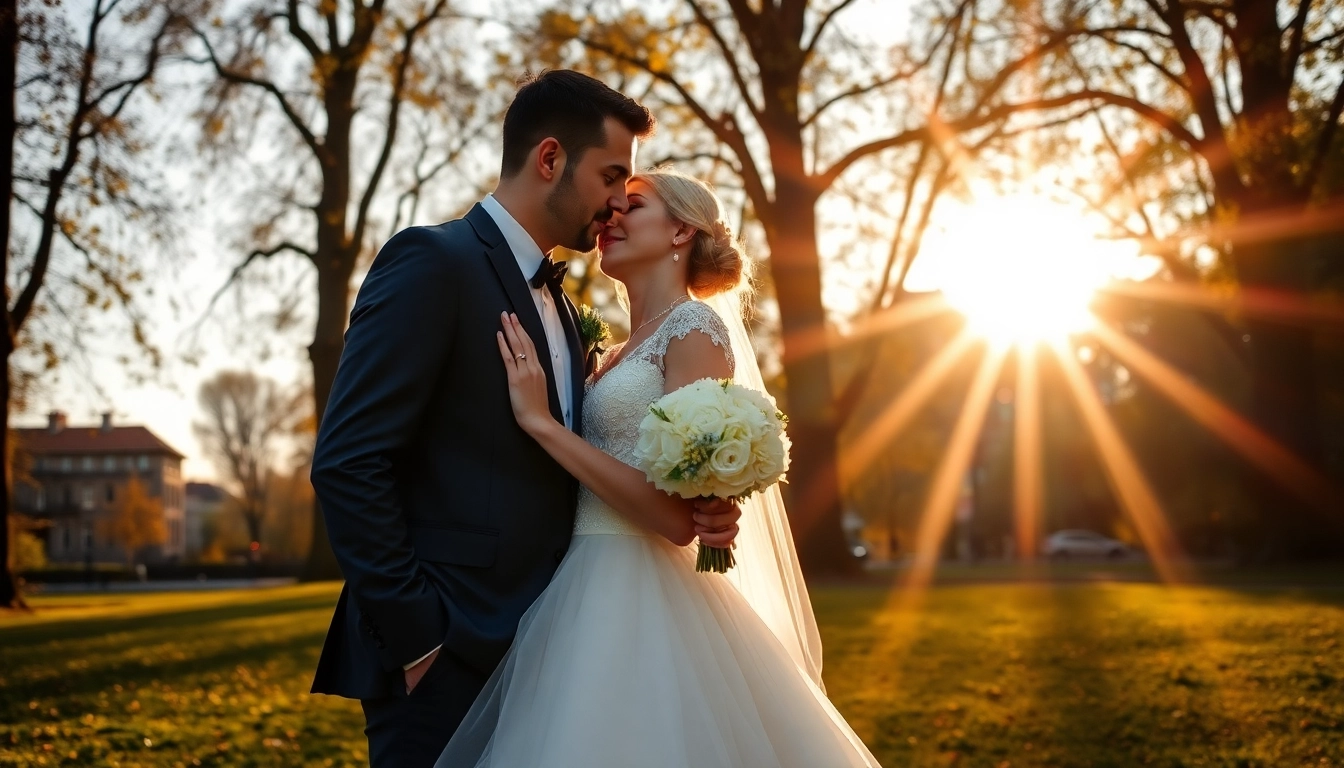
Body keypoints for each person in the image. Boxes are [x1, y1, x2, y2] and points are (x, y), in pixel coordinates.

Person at [307, 71, 743, 767]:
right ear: (549, 159)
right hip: (447, 654)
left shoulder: (565, 313)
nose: (615, 203)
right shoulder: (434, 261)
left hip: (552, 649)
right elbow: (348, 462)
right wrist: (419, 639)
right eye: (610, 177)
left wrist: (705, 501)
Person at [436, 168, 882, 767]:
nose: (611, 215)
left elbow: (675, 521)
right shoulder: (613, 349)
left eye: (634, 205)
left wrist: (542, 424)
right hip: (575, 582)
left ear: (681, 231)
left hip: (639, 592)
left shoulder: (694, 329)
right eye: (612, 205)